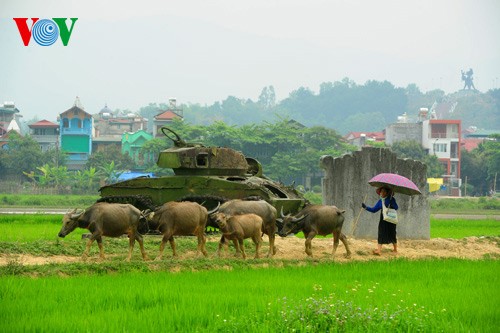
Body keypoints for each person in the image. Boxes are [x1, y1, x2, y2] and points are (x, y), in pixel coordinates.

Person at [362, 187, 399, 255]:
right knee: (381, 233)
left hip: (391, 219)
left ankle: (395, 249)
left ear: (387, 193)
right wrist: (366, 207)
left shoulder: (391, 199)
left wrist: (391, 203)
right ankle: (378, 250)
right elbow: (374, 210)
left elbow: (396, 207)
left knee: (392, 233)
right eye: (381, 191)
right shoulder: (380, 201)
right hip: (383, 219)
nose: (381, 193)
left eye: (383, 191)